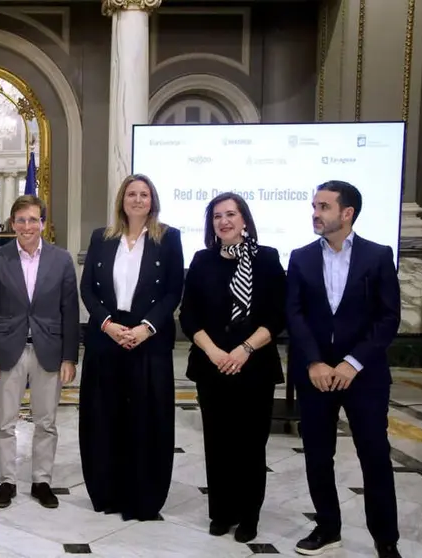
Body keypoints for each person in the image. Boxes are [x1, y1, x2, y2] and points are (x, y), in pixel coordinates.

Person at [286, 181, 401, 558]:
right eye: (314, 206)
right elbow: (295, 314)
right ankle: (327, 528)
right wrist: (315, 362)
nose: (315, 213)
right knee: (318, 453)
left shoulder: (378, 256)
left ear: (346, 213)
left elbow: (388, 318)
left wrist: (352, 363)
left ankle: (386, 540)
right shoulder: (300, 257)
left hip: (364, 375)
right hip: (316, 374)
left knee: (374, 454)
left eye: (323, 206)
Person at [178, 192, 286, 542]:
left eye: (230, 214)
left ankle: (249, 515)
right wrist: (213, 352)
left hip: (254, 366)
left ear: (244, 220)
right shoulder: (202, 260)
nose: (223, 221)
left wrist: (243, 350)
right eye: (216, 216)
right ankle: (221, 512)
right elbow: (189, 314)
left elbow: (276, 315)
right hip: (212, 366)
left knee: (251, 445)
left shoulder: (267, 259)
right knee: (218, 442)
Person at [78, 173, 184, 521]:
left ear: (152, 200)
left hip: (147, 341)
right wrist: (108, 325)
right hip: (106, 338)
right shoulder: (101, 238)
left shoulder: (168, 239)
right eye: (131, 194)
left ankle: (143, 497)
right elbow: (88, 290)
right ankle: (107, 492)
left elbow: (173, 291)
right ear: (121, 200)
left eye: (144, 194)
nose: (138, 200)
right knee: (105, 418)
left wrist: (146, 328)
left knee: (145, 420)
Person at [0, 194, 79, 510]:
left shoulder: (61, 260)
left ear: (43, 223)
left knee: (46, 422)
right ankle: (6, 481)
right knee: (4, 422)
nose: (27, 226)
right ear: (12, 224)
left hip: (49, 350)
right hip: (8, 351)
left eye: (33, 219)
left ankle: (41, 480)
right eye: (20, 220)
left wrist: (69, 357)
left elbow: (70, 311)